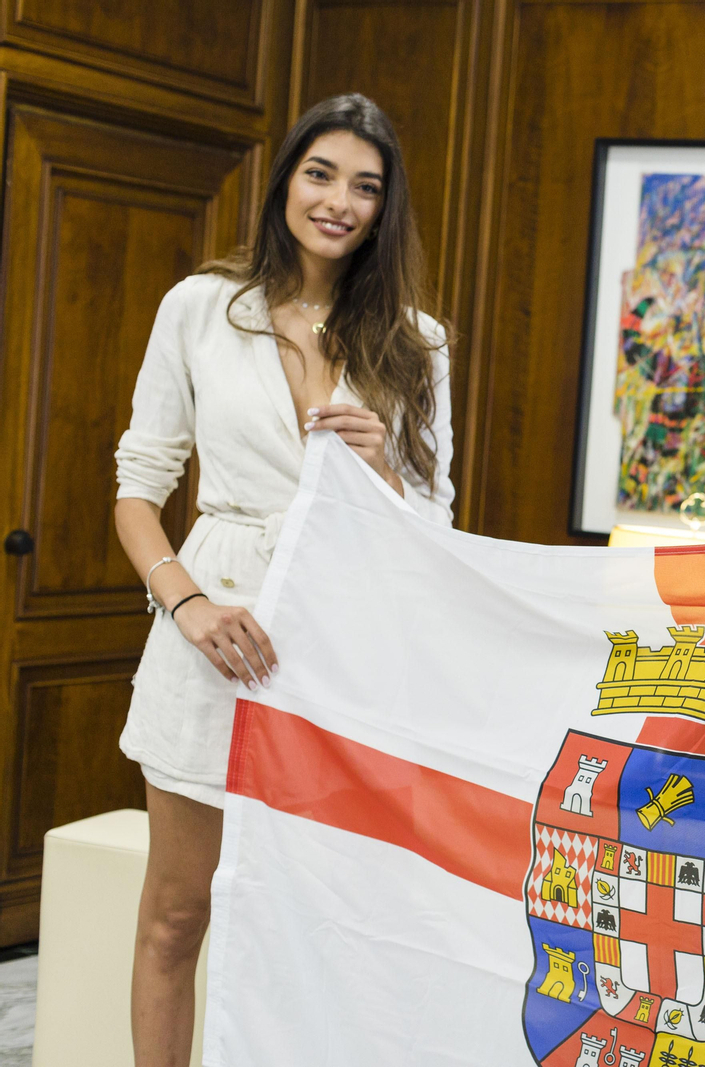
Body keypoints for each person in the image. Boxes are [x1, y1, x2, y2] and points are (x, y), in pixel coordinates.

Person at [112, 93, 455, 1066]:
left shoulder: (417, 342)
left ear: (385, 210)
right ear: (285, 182)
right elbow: (137, 490)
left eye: (366, 185)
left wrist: (386, 467)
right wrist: (187, 603)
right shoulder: (199, 309)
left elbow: (436, 526)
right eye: (321, 173)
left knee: (326, 928)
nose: (339, 200)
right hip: (210, 637)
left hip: (344, 654)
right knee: (177, 915)